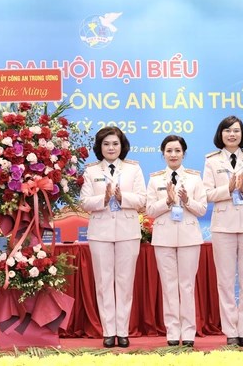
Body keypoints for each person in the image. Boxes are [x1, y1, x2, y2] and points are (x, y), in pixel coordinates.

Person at [80, 126, 146, 348]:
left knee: (125, 283)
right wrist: (104, 199)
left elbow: (142, 199)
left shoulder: (133, 169)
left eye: (115, 144)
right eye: (106, 144)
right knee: (104, 283)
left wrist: (121, 197)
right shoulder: (91, 171)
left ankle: (123, 331)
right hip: (100, 233)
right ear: (99, 147)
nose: (111, 148)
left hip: (128, 232)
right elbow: (84, 202)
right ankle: (109, 332)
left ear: (122, 146)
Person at [203, 115, 243, 348]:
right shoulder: (211, 161)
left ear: (242, 134)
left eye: (236, 131)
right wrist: (227, 190)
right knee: (225, 281)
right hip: (223, 226)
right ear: (221, 134)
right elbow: (206, 194)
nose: (232, 134)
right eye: (227, 130)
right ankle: (230, 331)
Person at [146, 135, 207, 347]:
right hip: (163, 238)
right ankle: (172, 331)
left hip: (189, 237)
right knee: (169, 286)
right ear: (163, 153)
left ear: (184, 153)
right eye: (169, 151)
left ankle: (188, 332)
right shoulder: (155, 179)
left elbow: (202, 209)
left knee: (187, 286)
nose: (173, 155)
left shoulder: (194, 178)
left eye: (177, 151)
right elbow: (150, 210)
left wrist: (187, 201)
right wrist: (167, 201)